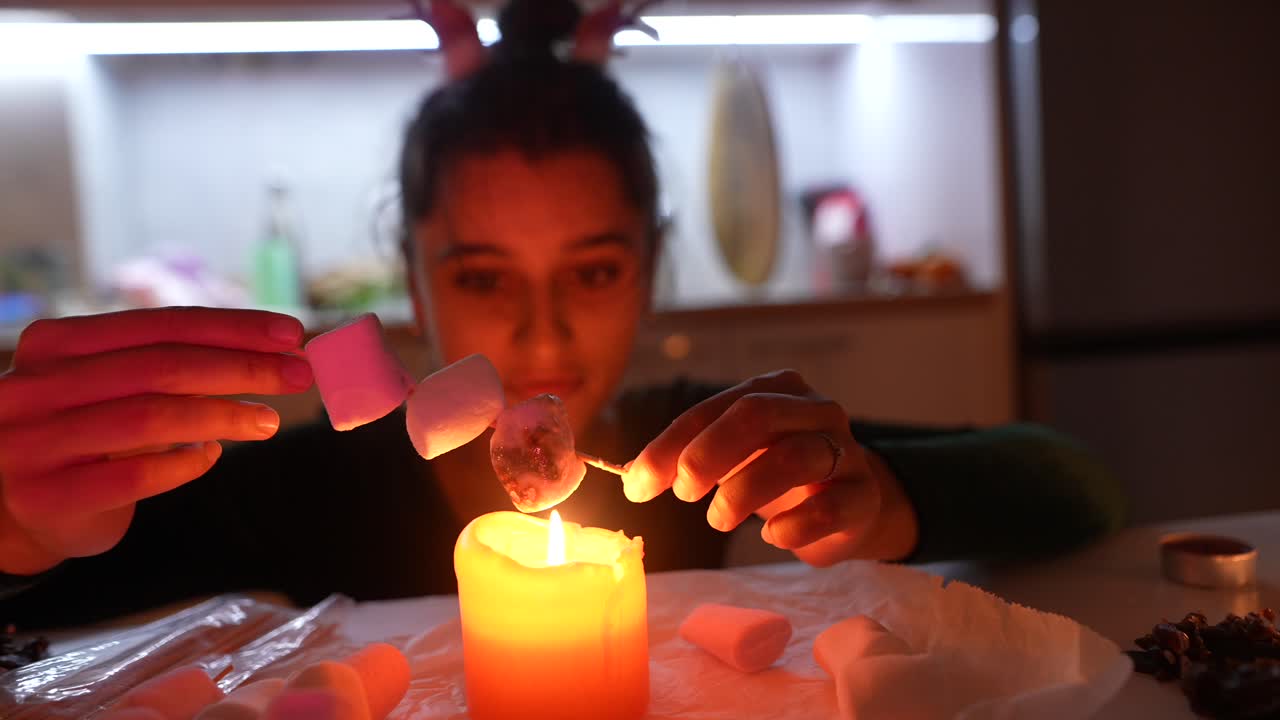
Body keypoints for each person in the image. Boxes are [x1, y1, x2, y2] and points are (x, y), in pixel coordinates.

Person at [0, 0, 1125, 628]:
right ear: (412, 275)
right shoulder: (300, 485)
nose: (539, 341)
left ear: (648, 268)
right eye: (484, 276)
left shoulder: (705, 448)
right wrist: (14, 524)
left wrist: (883, 501)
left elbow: (1073, 481)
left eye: (590, 274)